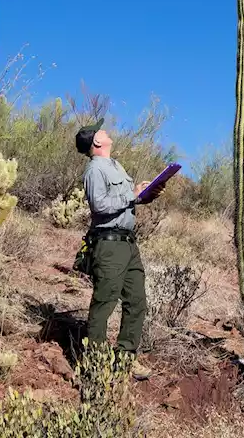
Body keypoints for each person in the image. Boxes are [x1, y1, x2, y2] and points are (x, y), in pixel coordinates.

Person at [75, 119, 167, 374]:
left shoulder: (116, 166)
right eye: (101, 131)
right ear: (96, 141)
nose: (107, 131)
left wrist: (145, 195)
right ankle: (95, 365)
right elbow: (100, 205)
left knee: (137, 302)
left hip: (128, 244)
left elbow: (126, 202)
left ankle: (125, 357)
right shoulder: (95, 170)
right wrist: (131, 194)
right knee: (104, 303)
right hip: (109, 244)